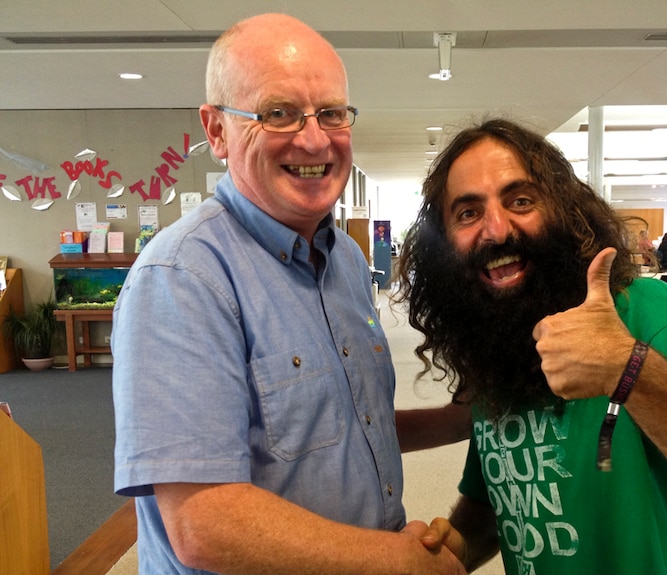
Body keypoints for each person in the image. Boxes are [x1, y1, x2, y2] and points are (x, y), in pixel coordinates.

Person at [112, 13, 469, 575]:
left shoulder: (345, 260)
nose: (313, 138)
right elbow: (204, 523)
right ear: (216, 130)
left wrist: (459, 420)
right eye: (277, 114)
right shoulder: (184, 278)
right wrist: (389, 559)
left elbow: (347, 426)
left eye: (331, 112)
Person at [394, 118, 667, 574]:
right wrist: (456, 548)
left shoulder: (647, 313)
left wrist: (628, 369)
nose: (495, 230)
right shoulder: (498, 346)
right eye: (468, 212)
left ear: (564, 212)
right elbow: (509, 504)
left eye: (520, 201)